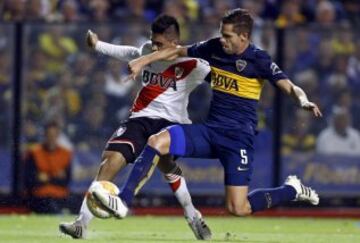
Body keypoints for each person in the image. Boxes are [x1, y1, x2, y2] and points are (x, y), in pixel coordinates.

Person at [92, 8, 323, 220]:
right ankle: (123, 201)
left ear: (244, 37)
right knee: (157, 140)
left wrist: (303, 101)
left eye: (228, 36)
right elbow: (176, 51)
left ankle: (291, 189)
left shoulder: (258, 59)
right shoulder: (214, 47)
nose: (222, 39)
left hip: (238, 139)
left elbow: (290, 86)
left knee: (238, 208)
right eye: (222, 34)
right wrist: (143, 60)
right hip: (211, 131)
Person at [59, 15, 212, 240]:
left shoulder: (194, 65)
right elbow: (129, 52)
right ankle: (81, 224)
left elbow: (222, 78)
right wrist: (98, 45)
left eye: (159, 44)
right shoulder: (147, 50)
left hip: (171, 123)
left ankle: (192, 215)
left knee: (166, 166)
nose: (153, 47)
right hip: (139, 119)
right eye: (152, 42)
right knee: (110, 160)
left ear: (174, 42)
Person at [24, 121, 72, 214]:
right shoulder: (34, 153)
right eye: (49, 135)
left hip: (60, 195)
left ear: (58, 136)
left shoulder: (65, 154)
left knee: (78, 202)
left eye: (54, 135)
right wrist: (55, 177)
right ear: (44, 135)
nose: (51, 139)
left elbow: (66, 181)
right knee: (49, 205)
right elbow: (30, 180)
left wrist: (47, 178)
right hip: (40, 195)